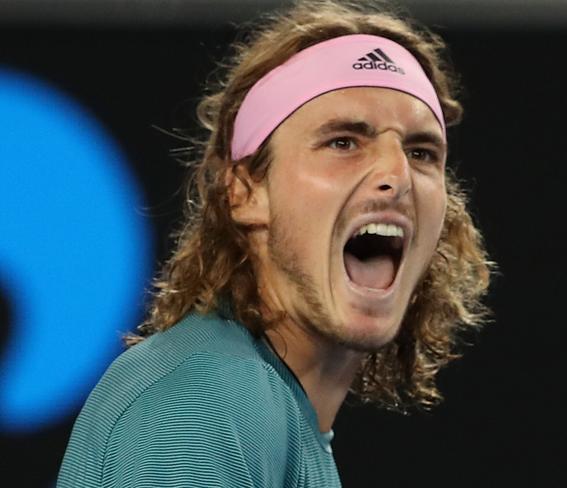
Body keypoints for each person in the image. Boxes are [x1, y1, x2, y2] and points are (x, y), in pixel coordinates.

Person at [57, 1, 492, 486]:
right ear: (244, 192)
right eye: (344, 142)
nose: (398, 175)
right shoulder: (207, 398)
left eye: (421, 152)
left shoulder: (269, 414)